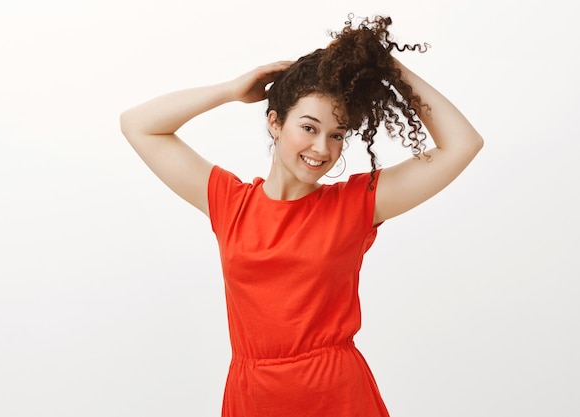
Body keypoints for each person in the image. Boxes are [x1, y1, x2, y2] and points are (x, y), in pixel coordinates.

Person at [120, 14, 483, 417]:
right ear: (275, 122)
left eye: (336, 134)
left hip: (338, 394)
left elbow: (462, 144)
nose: (323, 149)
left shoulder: (355, 205)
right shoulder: (230, 203)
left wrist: (388, 67)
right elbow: (138, 125)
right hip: (253, 394)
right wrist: (229, 90)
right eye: (309, 128)